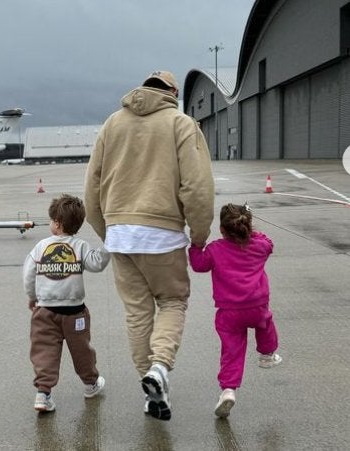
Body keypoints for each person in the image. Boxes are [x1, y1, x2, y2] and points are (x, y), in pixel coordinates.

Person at [84, 70, 215, 420]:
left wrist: (107, 230)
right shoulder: (181, 123)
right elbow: (197, 186)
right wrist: (199, 236)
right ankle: (159, 367)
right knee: (173, 301)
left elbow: (91, 188)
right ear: (172, 92)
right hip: (163, 233)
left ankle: (150, 387)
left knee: (137, 313)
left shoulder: (111, 124)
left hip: (120, 234)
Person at [188, 203, 282, 418]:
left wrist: (195, 246)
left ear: (221, 229)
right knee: (266, 323)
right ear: (248, 225)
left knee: (232, 350)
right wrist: (254, 232)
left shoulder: (215, 249)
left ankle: (228, 390)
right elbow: (269, 243)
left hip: (229, 311)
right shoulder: (259, 246)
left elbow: (199, 265)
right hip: (257, 305)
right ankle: (267, 354)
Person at [23, 194, 110, 412]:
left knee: (44, 351)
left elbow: (29, 274)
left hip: (44, 311)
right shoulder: (80, 246)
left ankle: (43, 393)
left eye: (52, 220)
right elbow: (96, 263)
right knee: (82, 350)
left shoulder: (40, 247)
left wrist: (33, 296)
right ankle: (91, 384)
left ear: (57, 224)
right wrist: (110, 245)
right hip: (75, 312)